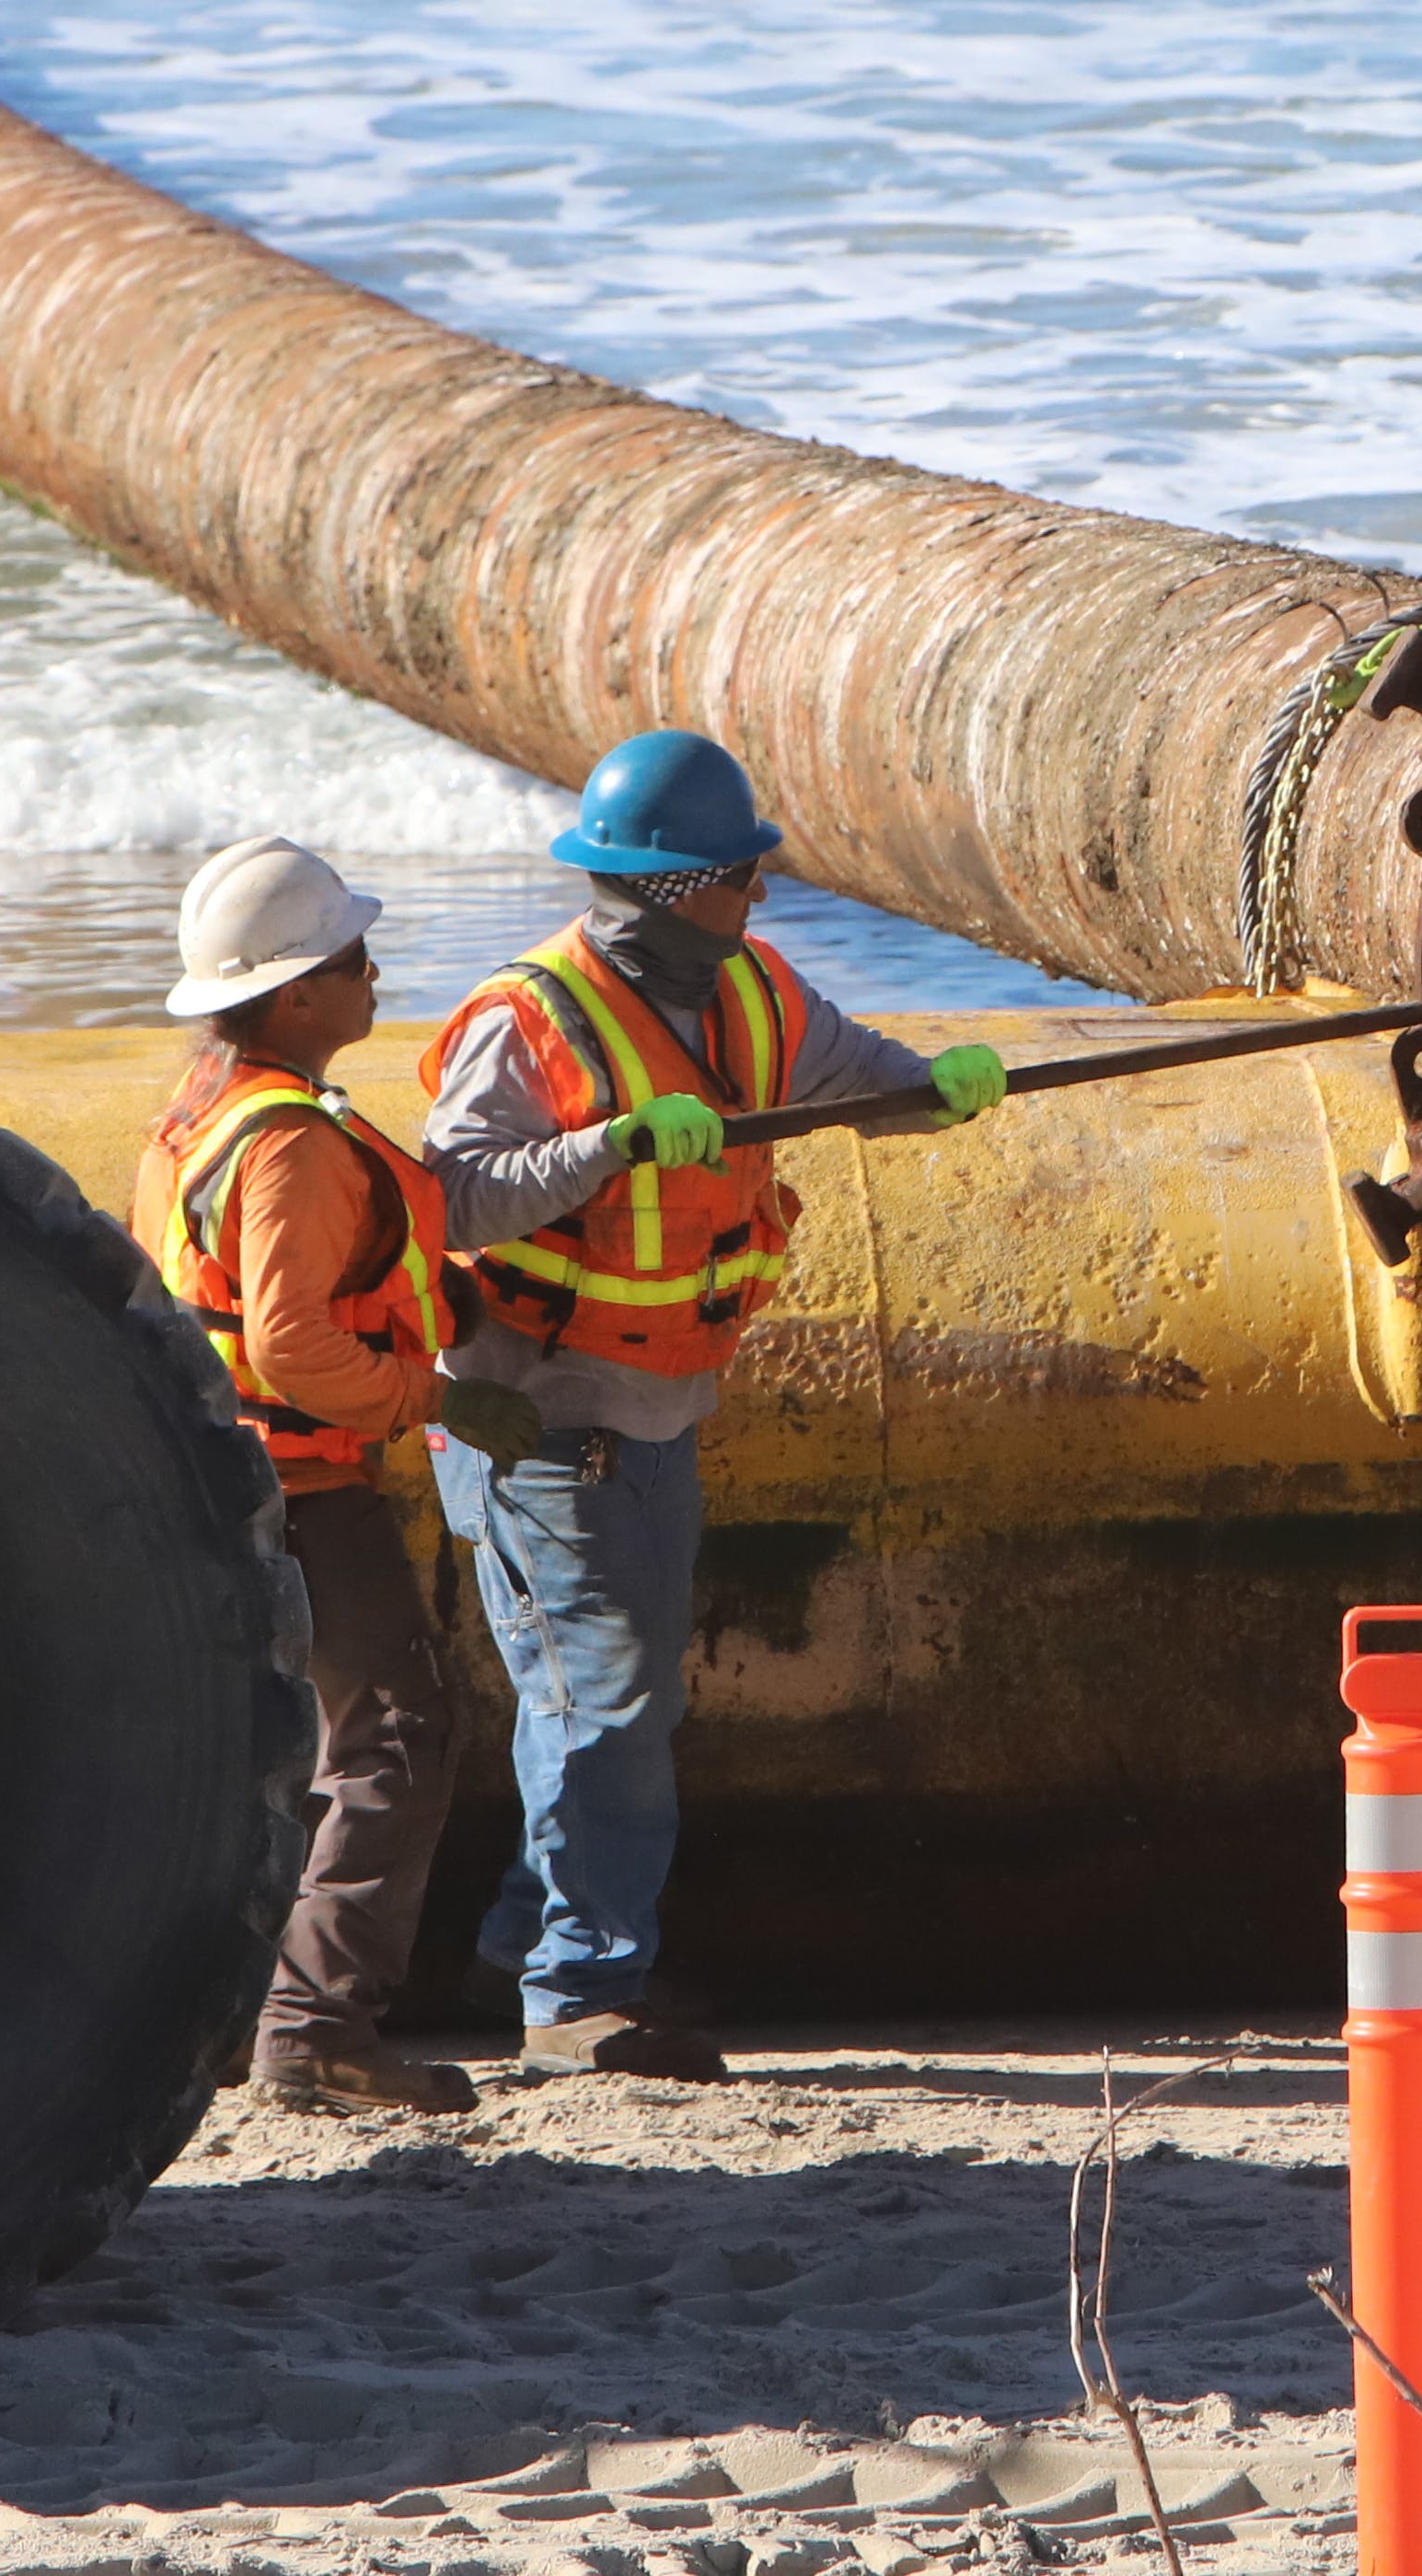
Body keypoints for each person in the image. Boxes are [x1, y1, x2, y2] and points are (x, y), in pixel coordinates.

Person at [415, 733, 1009, 2082]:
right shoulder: (530, 1020)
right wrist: (605, 1148)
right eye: (744, 876)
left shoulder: (757, 995)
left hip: (657, 1421)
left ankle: (531, 1947)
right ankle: (575, 1993)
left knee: (605, 1704)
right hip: (539, 1425)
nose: (762, 897)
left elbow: (864, 1080)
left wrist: (938, 1094)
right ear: (677, 888)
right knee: (603, 1705)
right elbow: (448, 1195)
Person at [133, 836, 547, 2119]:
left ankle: (237, 2018)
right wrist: (445, 1395)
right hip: (300, 1485)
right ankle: (317, 2029)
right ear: (297, 993)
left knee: (270, 1757)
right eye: (356, 959)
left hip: (212, 1478)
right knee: (393, 1739)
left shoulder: (203, 1109)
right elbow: (292, 1342)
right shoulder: (293, 1141)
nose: (378, 975)